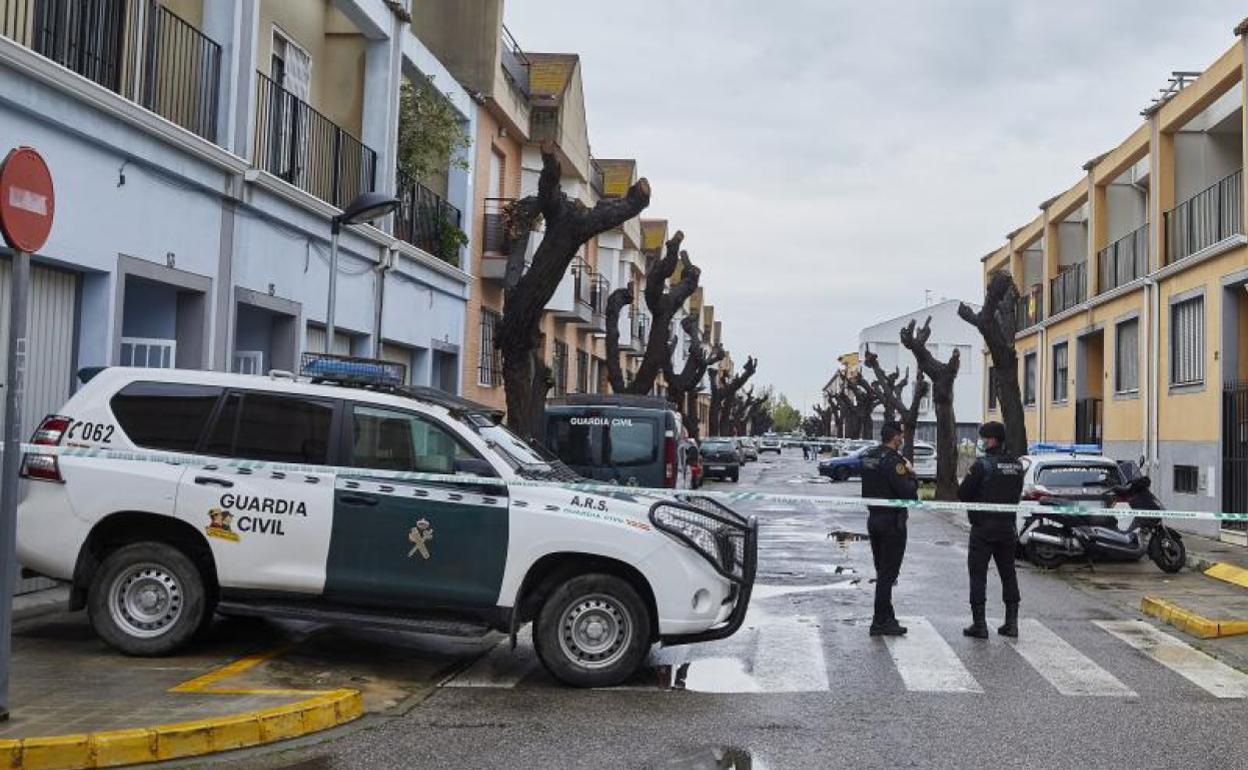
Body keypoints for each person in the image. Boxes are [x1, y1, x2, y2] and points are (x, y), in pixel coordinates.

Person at [957, 421, 1025, 639]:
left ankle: (980, 624)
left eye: (984, 438)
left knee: (978, 575)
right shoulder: (1016, 465)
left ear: (992, 439)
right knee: (1008, 574)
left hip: (983, 529)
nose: (982, 442)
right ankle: (1011, 623)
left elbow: (963, 494)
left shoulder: (982, 465)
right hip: (1007, 528)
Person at [860, 421, 918, 636]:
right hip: (892, 523)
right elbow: (909, 494)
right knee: (888, 574)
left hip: (874, 519)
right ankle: (879, 621)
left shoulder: (869, 457)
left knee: (882, 571)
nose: (902, 439)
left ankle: (887, 616)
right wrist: (911, 474)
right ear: (895, 437)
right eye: (901, 436)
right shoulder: (895, 462)